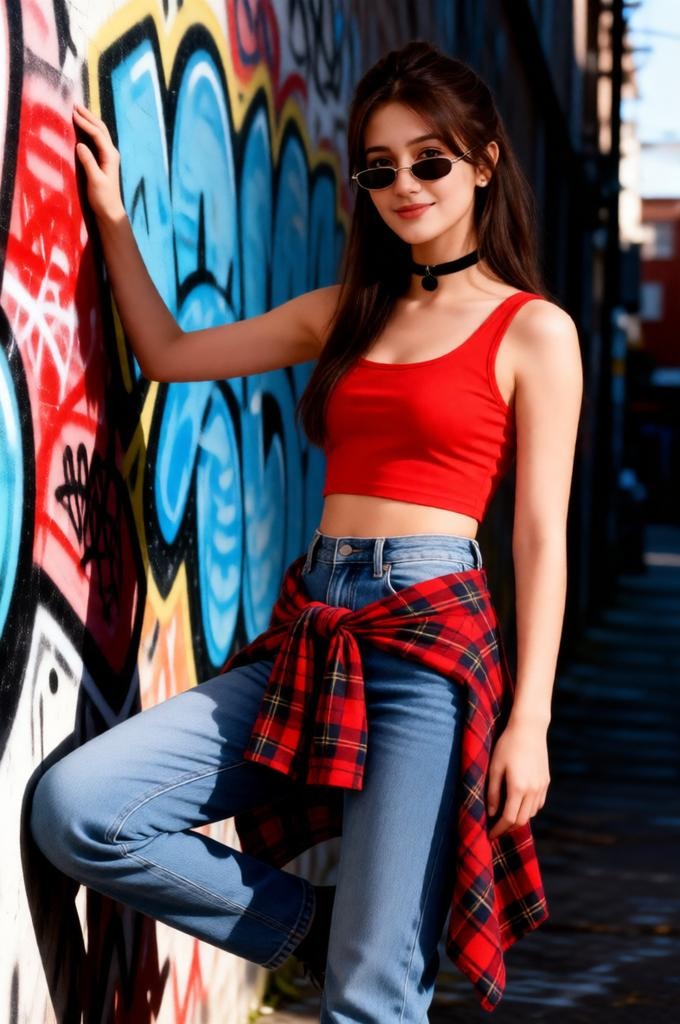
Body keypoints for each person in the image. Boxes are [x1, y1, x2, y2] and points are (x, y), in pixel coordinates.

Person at [30, 40, 583, 1022]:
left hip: (428, 646)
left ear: (484, 161)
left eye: (429, 160)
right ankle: (317, 929)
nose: (403, 185)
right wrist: (110, 214)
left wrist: (527, 721)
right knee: (80, 810)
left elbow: (539, 533)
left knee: (371, 999)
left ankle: (364, 945)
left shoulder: (532, 331)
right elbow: (164, 353)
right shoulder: (344, 313)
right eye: (379, 168)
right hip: (314, 629)